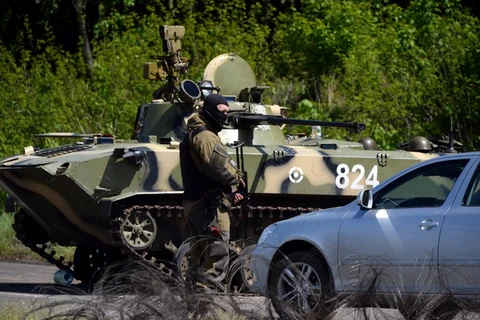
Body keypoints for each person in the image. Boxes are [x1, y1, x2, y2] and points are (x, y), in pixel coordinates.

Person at [179, 94, 244, 288]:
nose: (224, 116)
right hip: (208, 205)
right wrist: (238, 178)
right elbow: (220, 168)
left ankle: (192, 299)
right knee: (216, 253)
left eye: (227, 112)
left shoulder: (198, 132)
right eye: (221, 111)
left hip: (199, 201)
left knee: (199, 253)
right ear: (209, 110)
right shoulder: (206, 137)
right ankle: (206, 299)